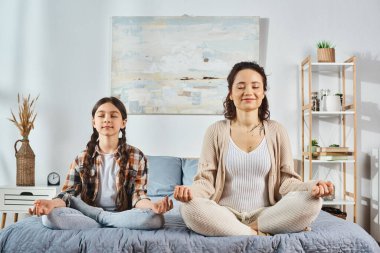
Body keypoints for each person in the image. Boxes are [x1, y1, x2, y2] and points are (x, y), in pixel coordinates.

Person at [174, 61, 334, 236]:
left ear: (263, 93)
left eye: (255, 86)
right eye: (241, 87)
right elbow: (205, 182)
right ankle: (254, 234)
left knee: (313, 202)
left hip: (266, 214)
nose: (248, 92)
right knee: (188, 208)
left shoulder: (277, 131)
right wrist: (190, 192)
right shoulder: (215, 131)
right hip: (225, 214)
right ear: (230, 94)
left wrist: (312, 186)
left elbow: (287, 182)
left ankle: (240, 231)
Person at [29, 97, 173, 229]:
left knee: (156, 220)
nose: (107, 119)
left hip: (123, 215)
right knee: (48, 218)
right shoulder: (82, 157)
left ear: (123, 122)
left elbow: (138, 195)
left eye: (113, 115)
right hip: (87, 214)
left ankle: (101, 220)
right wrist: (51, 204)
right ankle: (105, 220)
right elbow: (68, 194)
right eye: (101, 115)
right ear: (94, 122)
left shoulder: (137, 156)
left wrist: (153, 206)